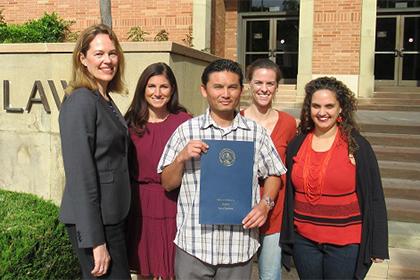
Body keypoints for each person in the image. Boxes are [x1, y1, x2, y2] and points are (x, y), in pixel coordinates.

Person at [157, 59, 286, 279]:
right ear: (204, 90)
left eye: (232, 87)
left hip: (238, 247)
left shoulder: (256, 133)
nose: (225, 94)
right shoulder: (186, 131)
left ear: (241, 90)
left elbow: (274, 173)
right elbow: (167, 183)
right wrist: (181, 158)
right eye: (218, 87)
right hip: (194, 245)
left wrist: (265, 205)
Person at [280, 76, 389, 279]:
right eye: (316, 106)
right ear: (308, 108)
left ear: (341, 109)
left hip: (345, 242)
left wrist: (378, 245)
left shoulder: (357, 146)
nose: (322, 112)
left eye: (329, 106)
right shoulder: (298, 143)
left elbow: (375, 197)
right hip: (304, 240)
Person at [58, 24, 131, 279]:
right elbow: (80, 174)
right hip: (96, 223)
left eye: (112, 53)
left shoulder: (104, 99)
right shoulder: (81, 100)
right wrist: (95, 241)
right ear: (83, 59)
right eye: (99, 54)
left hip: (112, 216)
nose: (108, 60)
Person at [124, 62, 191, 279]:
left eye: (164, 86)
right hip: (140, 203)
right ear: (143, 89)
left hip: (174, 202)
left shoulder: (184, 121)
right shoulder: (131, 122)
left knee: (172, 270)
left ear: (172, 89)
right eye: (151, 86)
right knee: (144, 270)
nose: (157, 92)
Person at [241, 59, 297, 280]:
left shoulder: (289, 124)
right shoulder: (237, 120)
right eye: (258, 82)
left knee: (270, 274)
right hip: (242, 208)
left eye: (270, 83)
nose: (264, 89)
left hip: (276, 209)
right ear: (249, 85)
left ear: (277, 87)